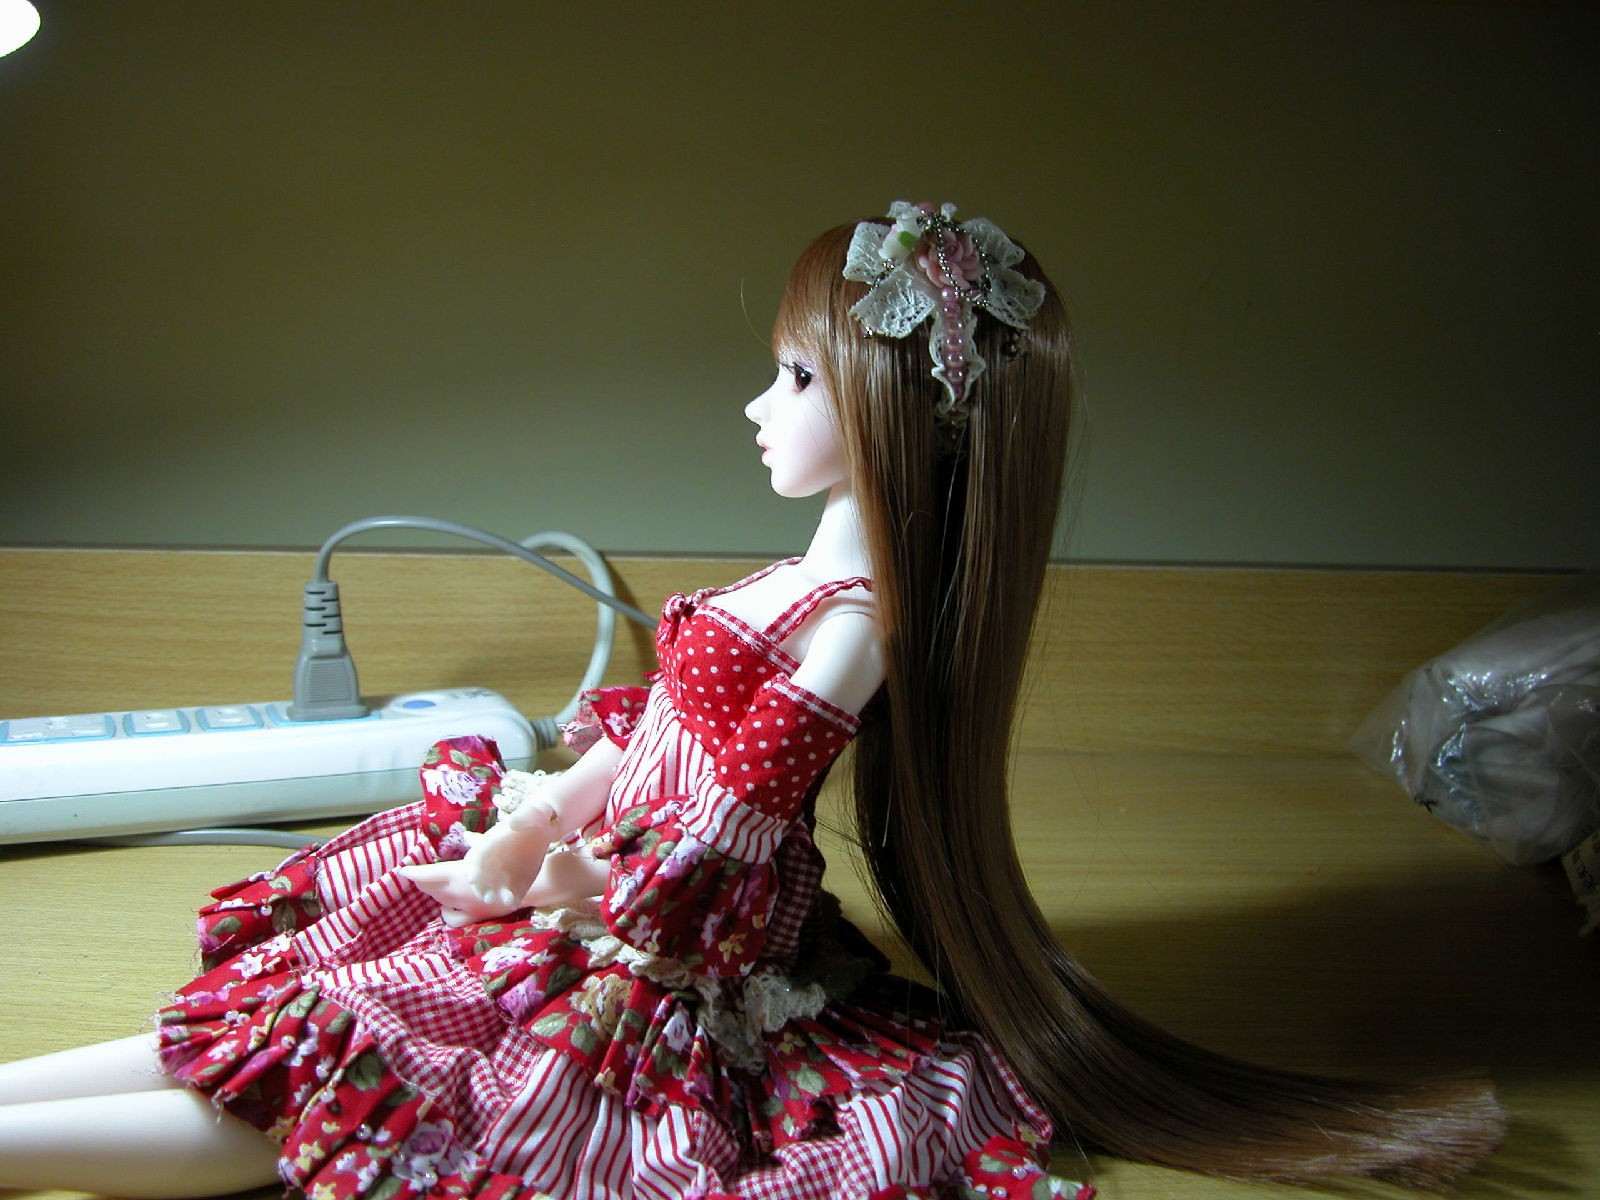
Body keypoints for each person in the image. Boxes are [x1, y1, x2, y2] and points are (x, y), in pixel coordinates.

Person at [0, 203, 1503, 1199]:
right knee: (301, 1011)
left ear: (890, 408)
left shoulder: (855, 627)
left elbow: (729, 825)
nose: (757, 406)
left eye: (794, 378)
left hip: (667, 950)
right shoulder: (803, 580)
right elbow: (659, 735)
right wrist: (542, 813)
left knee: (380, 1073)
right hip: (598, 877)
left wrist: (583, 887)